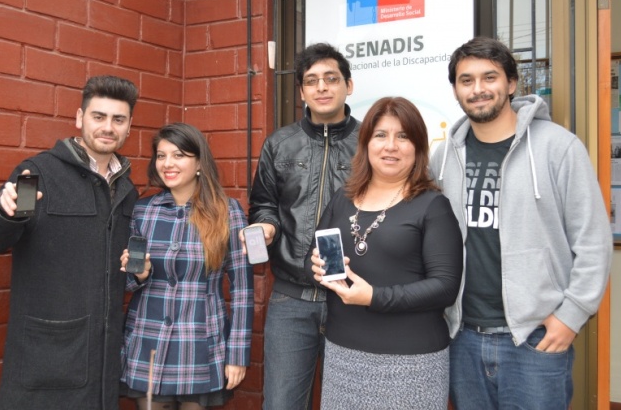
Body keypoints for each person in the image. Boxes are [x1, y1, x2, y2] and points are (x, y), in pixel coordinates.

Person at [429, 36, 613, 409]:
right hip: (462, 338)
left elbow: (593, 240)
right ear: (455, 89)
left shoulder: (558, 147)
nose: (478, 89)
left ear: (512, 83)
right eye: (466, 80)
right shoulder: (443, 156)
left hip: (534, 338)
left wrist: (570, 316)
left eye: (489, 77)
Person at [0, 76, 139, 409]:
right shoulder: (36, 174)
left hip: (102, 363)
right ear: (80, 118)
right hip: (45, 362)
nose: (108, 127)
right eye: (99, 116)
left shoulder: (127, 189)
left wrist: (140, 271)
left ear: (128, 128)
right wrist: (4, 212)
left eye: (118, 119)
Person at [307, 96, 463, 409]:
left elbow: (444, 287)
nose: (390, 146)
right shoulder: (343, 198)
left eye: (402, 136)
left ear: (418, 147)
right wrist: (317, 265)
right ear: (365, 144)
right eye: (380, 135)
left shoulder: (432, 206)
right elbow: (317, 253)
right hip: (342, 355)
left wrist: (375, 297)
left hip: (411, 362)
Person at [244, 42, 361, 409]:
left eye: (331, 78)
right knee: (281, 404)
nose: (322, 87)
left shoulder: (369, 143)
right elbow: (263, 203)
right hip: (291, 300)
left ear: (349, 86)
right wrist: (265, 226)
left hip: (354, 301)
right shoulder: (280, 143)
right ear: (302, 92)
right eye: (312, 81)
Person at [120, 123, 254, 410]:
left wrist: (237, 354)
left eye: (178, 155)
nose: (168, 163)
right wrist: (138, 275)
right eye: (161, 155)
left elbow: (243, 291)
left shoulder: (227, 211)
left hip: (201, 342)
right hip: (148, 339)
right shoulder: (142, 211)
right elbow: (126, 283)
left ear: (198, 163)